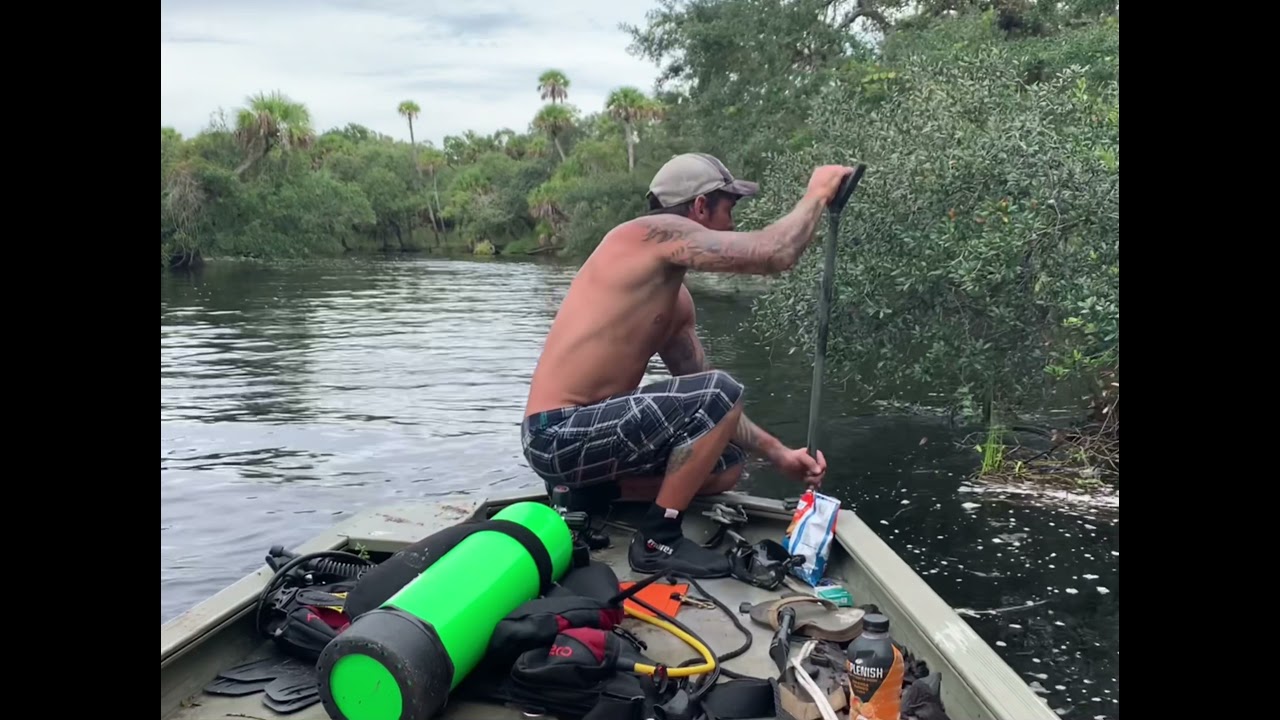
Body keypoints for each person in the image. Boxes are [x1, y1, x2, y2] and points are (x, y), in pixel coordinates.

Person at [521, 152, 854, 578]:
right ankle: (659, 540)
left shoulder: (674, 301)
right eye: (729, 208)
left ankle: (589, 495)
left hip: (591, 443)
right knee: (721, 389)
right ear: (700, 207)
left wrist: (779, 454)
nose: (732, 223)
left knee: (727, 464)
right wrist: (818, 193)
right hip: (557, 433)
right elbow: (774, 253)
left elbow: (705, 403)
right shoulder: (648, 235)